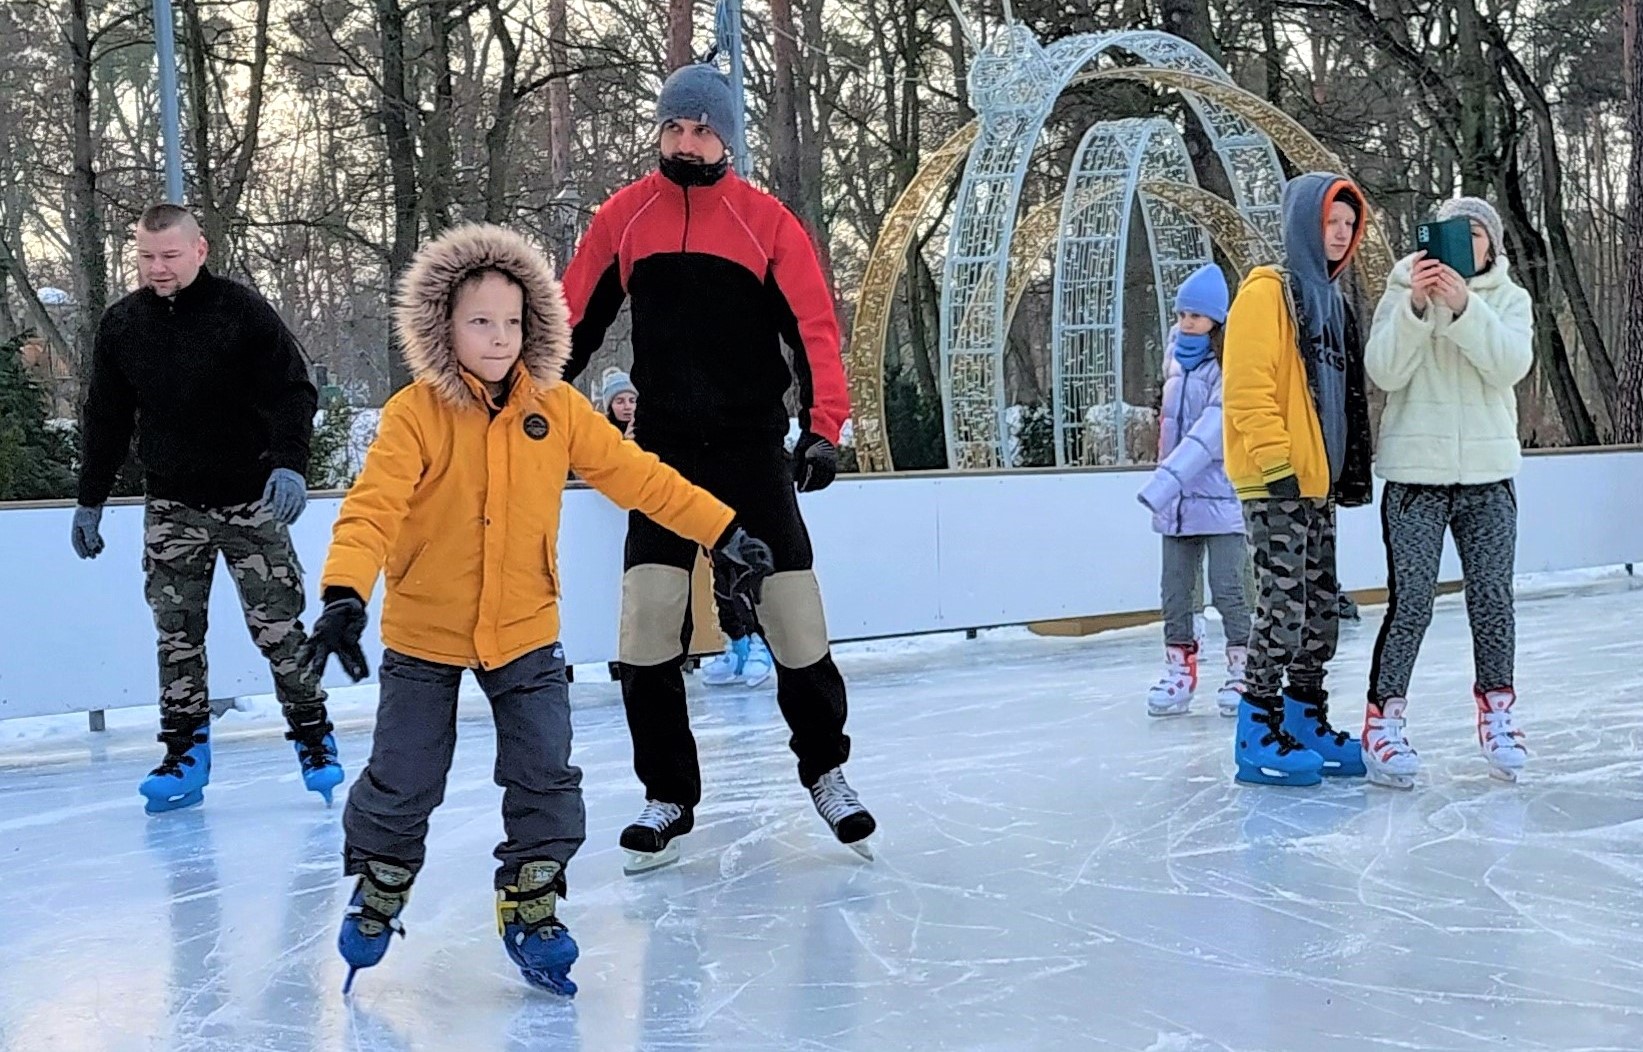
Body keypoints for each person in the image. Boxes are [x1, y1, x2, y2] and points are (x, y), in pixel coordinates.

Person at [296, 223, 773, 996]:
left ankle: (531, 902)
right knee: (405, 773)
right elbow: (371, 508)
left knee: (546, 772)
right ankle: (382, 881)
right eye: (480, 321)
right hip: (425, 630)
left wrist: (724, 529)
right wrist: (345, 593)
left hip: (524, 629)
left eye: (512, 322)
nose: (498, 337)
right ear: (444, 326)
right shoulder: (415, 413)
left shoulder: (553, 409)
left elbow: (639, 477)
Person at [559, 62, 874, 872]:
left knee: (794, 616)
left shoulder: (765, 221)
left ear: (724, 136)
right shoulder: (623, 220)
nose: (685, 141)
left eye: (701, 129)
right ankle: (667, 794)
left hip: (748, 446)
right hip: (660, 454)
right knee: (648, 623)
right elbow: (568, 330)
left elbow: (814, 328)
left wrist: (824, 426)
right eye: (673, 127)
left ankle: (827, 772)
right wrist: (533, 409)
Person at [72, 202, 341, 813]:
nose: (157, 269)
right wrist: (90, 499)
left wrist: (289, 464)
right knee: (177, 636)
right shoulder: (122, 326)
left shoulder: (241, 312)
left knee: (277, 630)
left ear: (200, 250)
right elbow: (106, 419)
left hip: (250, 500)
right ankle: (184, 753)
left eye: (169, 256)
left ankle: (312, 735)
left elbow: (293, 390)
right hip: (171, 505)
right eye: (145, 257)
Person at [1361, 196, 1533, 787]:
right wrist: (1415, 305)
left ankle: (1499, 712)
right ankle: (1383, 721)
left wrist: (1464, 310)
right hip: (1416, 477)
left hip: (1489, 475)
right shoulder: (1403, 287)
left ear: (1492, 244)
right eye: (1456, 233)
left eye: (1477, 233)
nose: (1467, 243)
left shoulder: (1510, 299)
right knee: (1412, 602)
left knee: (1493, 599)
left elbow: (1509, 366)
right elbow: (1383, 371)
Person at [1222, 172, 1375, 787]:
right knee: (1283, 609)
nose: (1338, 236)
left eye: (1348, 226)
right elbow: (1247, 389)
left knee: (1320, 614)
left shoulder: (1335, 303)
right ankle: (1256, 728)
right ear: (1303, 226)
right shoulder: (1269, 293)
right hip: (1275, 482)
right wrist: (1277, 464)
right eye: (1329, 224)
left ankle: (1304, 716)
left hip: (1318, 485)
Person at [1138, 263, 1251, 718]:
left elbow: (1212, 432)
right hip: (1176, 502)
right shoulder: (1173, 364)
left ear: (1218, 322)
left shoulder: (1228, 369)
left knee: (1229, 588)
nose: (1188, 322)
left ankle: (1244, 667)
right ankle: (1179, 667)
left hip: (1219, 497)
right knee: (1176, 589)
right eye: (1183, 313)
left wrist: (1167, 479)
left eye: (1198, 316)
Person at [601, 367, 638, 437]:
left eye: (632, 401)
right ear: (610, 407)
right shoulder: (601, 433)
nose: (627, 407)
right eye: (620, 401)